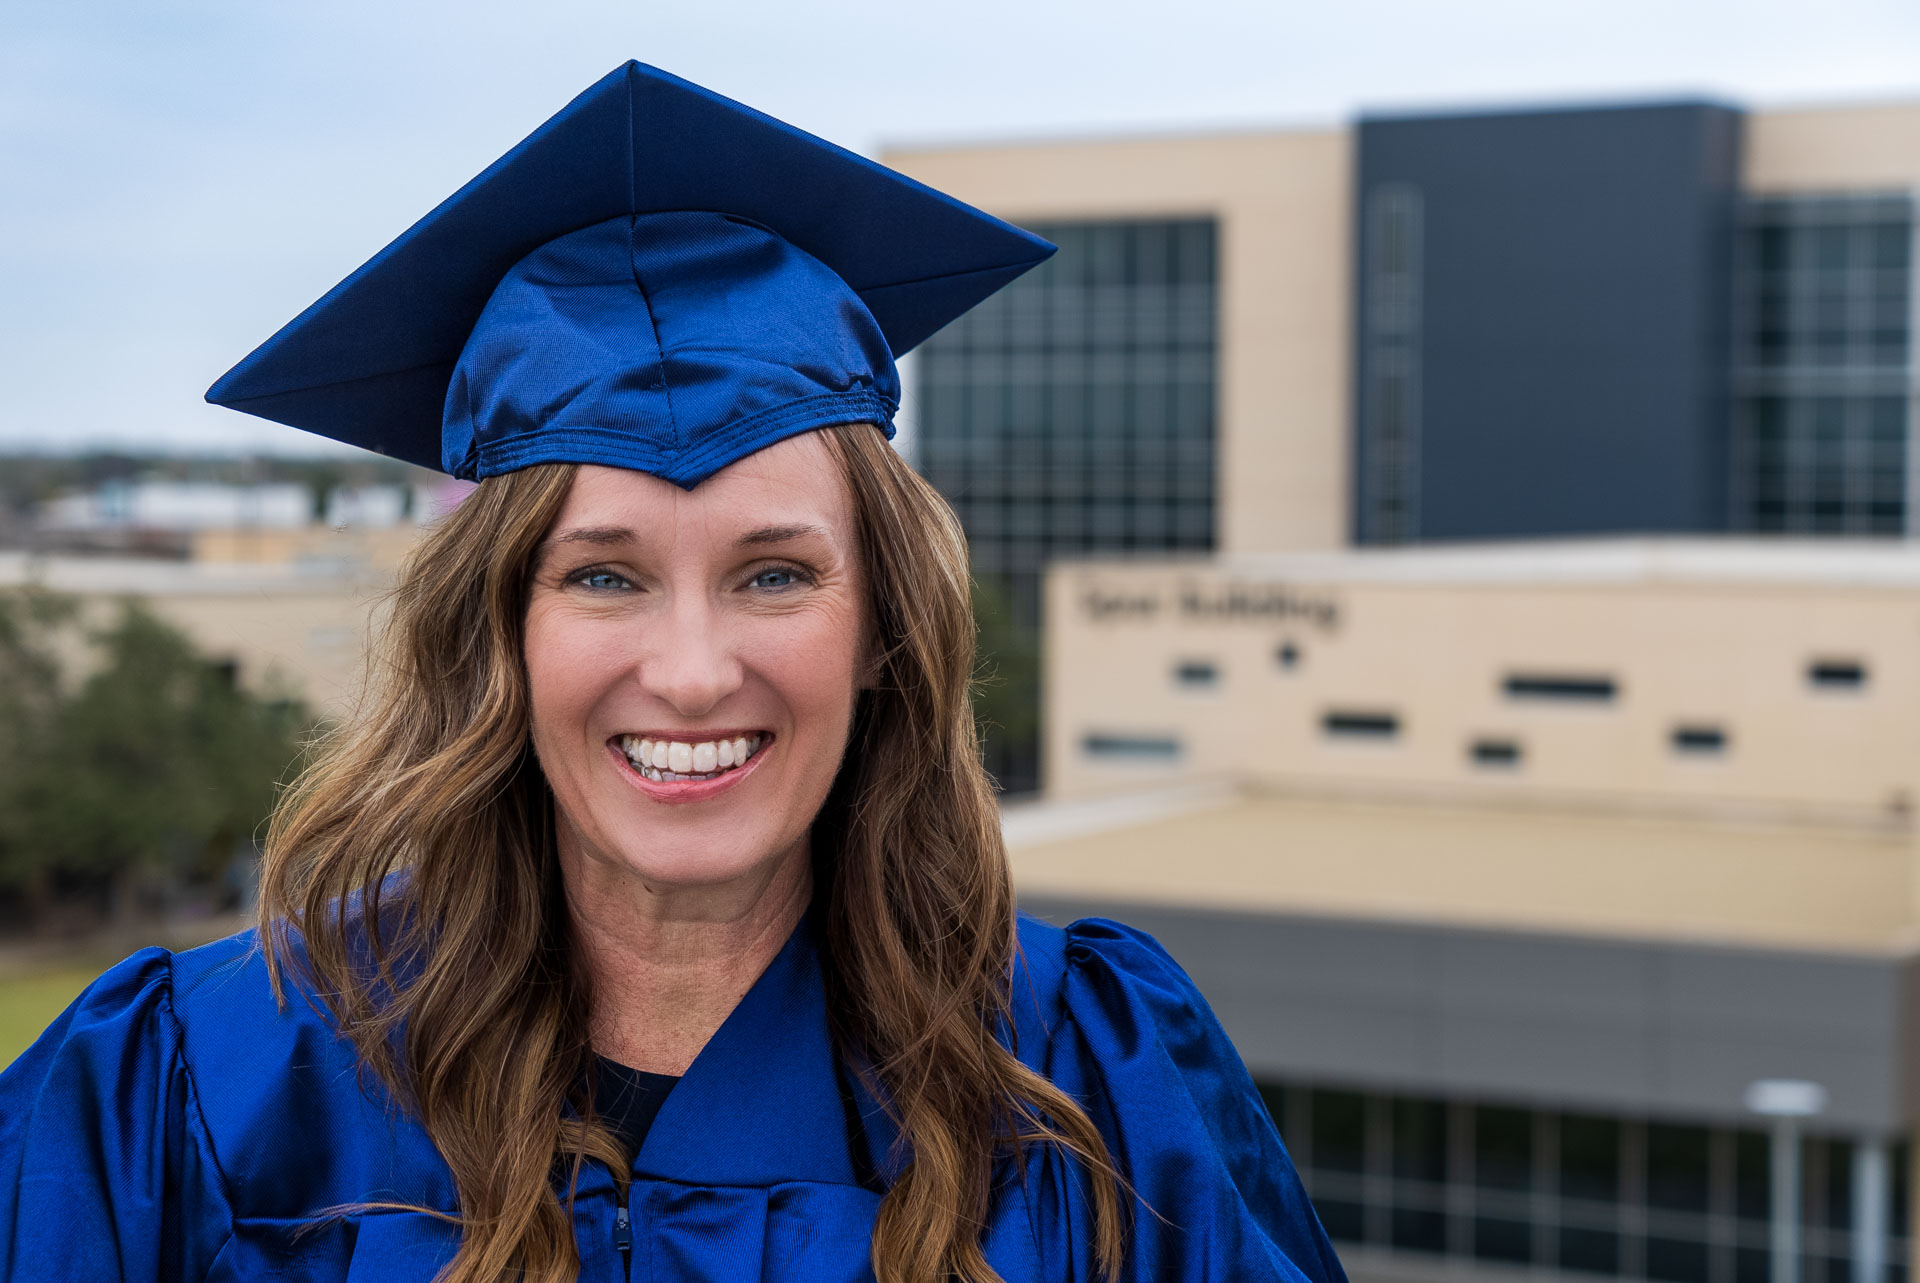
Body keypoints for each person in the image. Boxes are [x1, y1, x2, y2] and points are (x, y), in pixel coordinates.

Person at [0, 63, 1347, 1283]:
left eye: (775, 572)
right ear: (498, 636)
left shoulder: (1086, 1080)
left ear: (883, 628)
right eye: (604, 574)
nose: (695, 675)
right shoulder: (201, 1089)